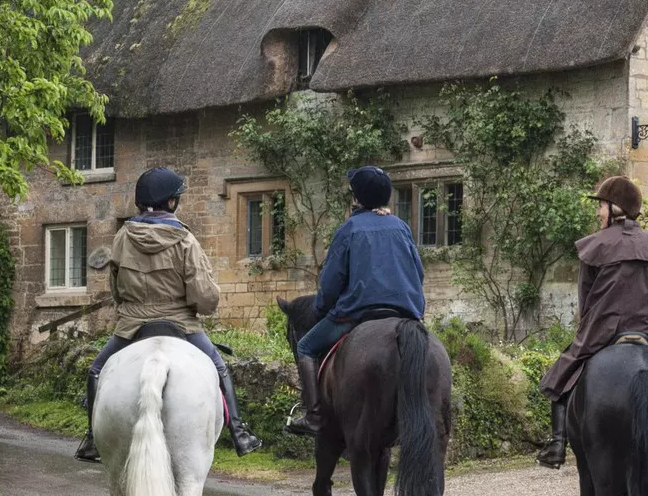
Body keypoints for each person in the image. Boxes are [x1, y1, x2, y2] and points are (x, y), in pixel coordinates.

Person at [75, 167, 261, 462]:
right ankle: (239, 432)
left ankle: (92, 439)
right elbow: (204, 297)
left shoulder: (122, 237)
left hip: (132, 326)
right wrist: (203, 306)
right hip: (181, 324)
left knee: (97, 370)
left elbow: (116, 288)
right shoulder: (185, 240)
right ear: (170, 203)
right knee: (218, 366)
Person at [536, 175, 648, 468]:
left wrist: (592, 323)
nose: (597, 212)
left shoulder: (595, 247)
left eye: (601, 205)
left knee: (563, 375)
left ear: (616, 208)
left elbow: (585, 298)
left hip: (603, 330)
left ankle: (557, 443)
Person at [287, 166, 427, 434]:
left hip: (358, 315)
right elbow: (418, 272)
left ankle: (314, 416)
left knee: (305, 347)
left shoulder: (349, 228)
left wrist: (320, 309)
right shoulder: (401, 227)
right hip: (405, 314)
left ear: (356, 198)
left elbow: (330, 283)